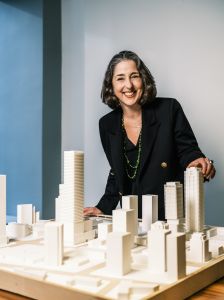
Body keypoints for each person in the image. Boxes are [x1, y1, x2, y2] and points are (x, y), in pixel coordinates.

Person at [83, 50, 216, 220]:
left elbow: (188, 151)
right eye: (120, 78)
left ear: (143, 80)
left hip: (170, 215)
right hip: (131, 218)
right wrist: (103, 207)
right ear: (111, 85)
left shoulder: (169, 109)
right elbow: (117, 171)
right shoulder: (107, 124)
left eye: (134, 76)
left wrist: (197, 161)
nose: (129, 85)